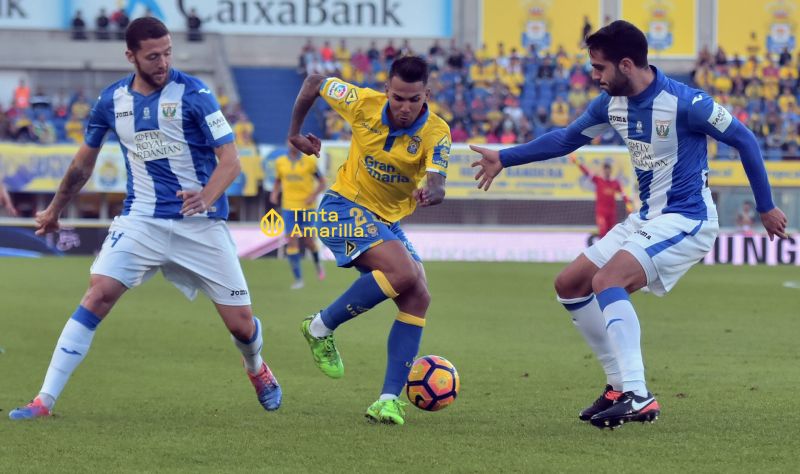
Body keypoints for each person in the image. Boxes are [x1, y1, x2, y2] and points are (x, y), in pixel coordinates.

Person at [470, 20, 788, 429]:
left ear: (625, 64)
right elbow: (567, 139)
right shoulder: (609, 104)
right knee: (569, 284)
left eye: (599, 68)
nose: (594, 76)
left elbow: (745, 139)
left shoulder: (687, 103)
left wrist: (765, 206)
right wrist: (506, 157)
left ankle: (638, 394)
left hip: (687, 218)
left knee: (607, 281)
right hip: (646, 218)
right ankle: (619, 386)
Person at [9, 17, 281, 420]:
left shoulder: (196, 93)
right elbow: (84, 164)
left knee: (242, 326)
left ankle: (256, 367)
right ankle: (44, 401)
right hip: (141, 221)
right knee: (97, 292)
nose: (163, 62)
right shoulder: (110, 101)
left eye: (168, 52)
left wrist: (205, 197)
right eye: (153, 56)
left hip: (200, 226)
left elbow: (231, 161)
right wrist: (54, 209)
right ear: (131, 55)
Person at [288, 56, 450, 425]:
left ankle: (388, 401)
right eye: (397, 97)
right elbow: (314, 80)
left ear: (426, 94)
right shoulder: (362, 103)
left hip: (385, 220)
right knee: (403, 272)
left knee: (418, 295)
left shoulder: (437, 133)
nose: (405, 107)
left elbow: (438, 180)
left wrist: (433, 191)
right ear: (387, 90)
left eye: (413, 99)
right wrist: (294, 132)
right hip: (342, 207)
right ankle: (319, 326)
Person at [269, 145, 327, 289]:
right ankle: (298, 279)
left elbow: (323, 183)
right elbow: (278, 180)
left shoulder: (310, 162)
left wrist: (312, 196)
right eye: (290, 141)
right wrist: (275, 193)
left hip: (307, 208)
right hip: (288, 206)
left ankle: (318, 263)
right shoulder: (280, 162)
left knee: (308, 241)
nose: (292, 145)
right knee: (292, 241)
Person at [571, 156, 633, 237]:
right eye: (605, 170)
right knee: (603, 232)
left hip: (612, 212)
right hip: (601, 212)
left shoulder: (615, 183)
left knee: (611, 234)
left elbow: (623, 194)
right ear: (603, 171)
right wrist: (577, 162)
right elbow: (586, 172)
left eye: (608, 170)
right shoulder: (598, 180)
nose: (607, 172)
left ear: (610, 171)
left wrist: (628, 204)